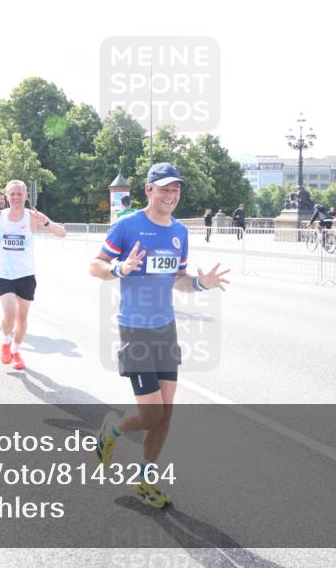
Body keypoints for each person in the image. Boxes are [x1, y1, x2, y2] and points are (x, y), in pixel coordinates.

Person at [90, 162, 230, 509]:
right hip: (135, 329)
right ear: (149, 190)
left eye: (176, 189)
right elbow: (95, 265)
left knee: (166, 413)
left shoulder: (180, 232)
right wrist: (119, 268)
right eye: (164, 188)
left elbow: (178, 279)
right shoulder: (128, 225)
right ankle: (114, 428)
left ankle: (145, 478)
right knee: (150, 417)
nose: (171, 195)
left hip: (165, 328)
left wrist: (200, 284)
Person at [0, 179, 66, 370]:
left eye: (19, 193)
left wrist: (45, 221)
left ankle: (16, 351)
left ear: (26, 196)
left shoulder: (32, 216)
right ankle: (5, 342)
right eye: (12, 194)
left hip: (26, 273)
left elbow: (61, 233)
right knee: (10, 313)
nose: (15, 197)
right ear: (6, 196)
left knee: (22, 318)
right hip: (4, 272)